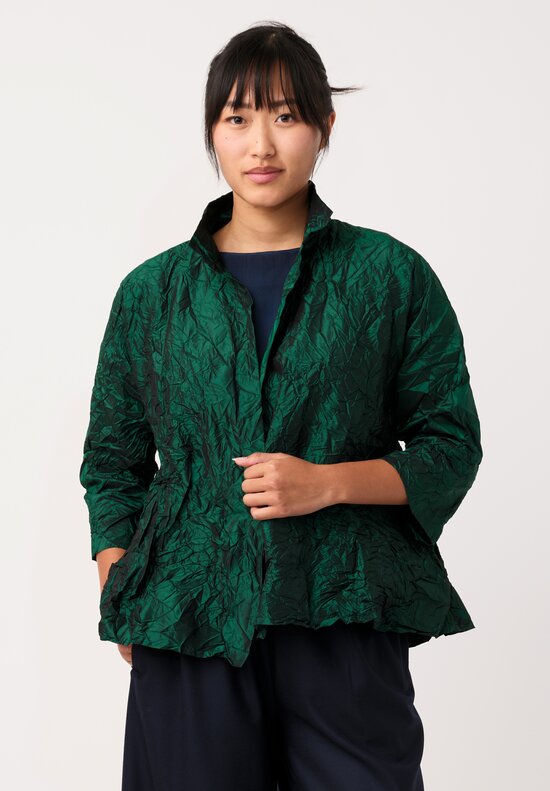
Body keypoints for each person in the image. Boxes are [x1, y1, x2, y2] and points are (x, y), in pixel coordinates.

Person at [79, 20, 483, 791]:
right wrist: (118, 577)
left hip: (342, 607)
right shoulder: (153, 293)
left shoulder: (389, 276)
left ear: (324, 126)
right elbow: (113, 459)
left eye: (286, 116)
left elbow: (449, 443)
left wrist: (327, 483)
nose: (261, 144)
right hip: (187, 612)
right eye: (238, 118)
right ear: (213, 131)